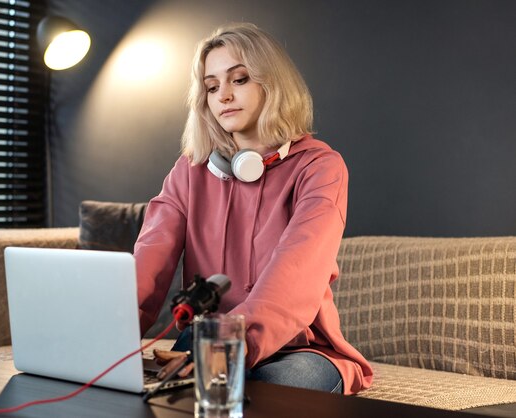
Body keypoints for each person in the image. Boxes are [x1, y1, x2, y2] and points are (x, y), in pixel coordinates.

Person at [133, 22, 373, 394]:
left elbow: (296, 270)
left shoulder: (321, 168)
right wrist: (109, 330)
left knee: (263, 388)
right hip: (211, 340)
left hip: (302, 350)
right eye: (212, 87)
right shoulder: (189, 170)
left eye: (239, 79)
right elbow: (151, 256)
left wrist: (235, 344)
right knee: (180, 387)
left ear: (271, 83)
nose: (224, 95)